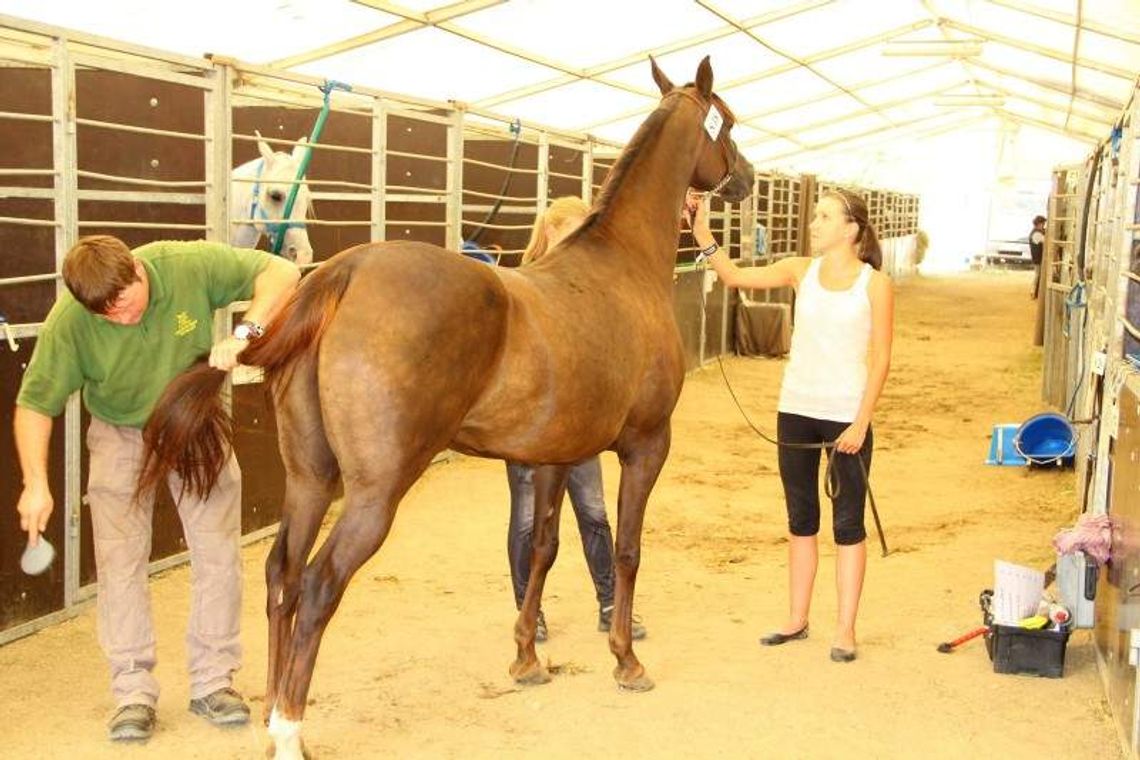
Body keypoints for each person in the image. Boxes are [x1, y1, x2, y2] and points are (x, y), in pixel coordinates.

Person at [14, 235, 300, 741]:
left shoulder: (186, 265)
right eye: (105, 315)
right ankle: (132, 692)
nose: (119, 319)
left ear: (137, 274)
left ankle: (213, 682)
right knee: (120, 563)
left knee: (217, 555)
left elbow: (282, 272)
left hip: (193, 428)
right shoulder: (73, 320)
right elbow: (35, 404)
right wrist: (35, 483)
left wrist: (244, 332)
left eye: (123, 304)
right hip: (118, 435)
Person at [686, 187, 893, 663]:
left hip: (846, 417)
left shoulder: (874, 284)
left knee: (847, 524)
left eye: (824, 217)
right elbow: (734, 276)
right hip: (796, 409)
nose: (814, 224)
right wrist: (701, 230)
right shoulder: (802, 271)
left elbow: (881, 357)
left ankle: (845, 629)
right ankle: (797, 618)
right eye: (815, 215)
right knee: (801, 519)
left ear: (851, 229)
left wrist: (861, 422)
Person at [506, 196, 646, 643]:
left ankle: (609, 602)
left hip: (581, 420)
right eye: (575, 232)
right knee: (528, 519)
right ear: (551, 230)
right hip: (530, 422)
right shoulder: (522, 285)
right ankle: (529, 607)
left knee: (594, 511)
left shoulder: (592, 290)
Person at [1029, 214, 1046, 299]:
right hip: (1037, 258)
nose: (1043, 226)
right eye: (1042, 224)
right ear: (1039, 224)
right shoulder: (1036, 234)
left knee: (1037, 274)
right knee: (1037, 275)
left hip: (1037, 257)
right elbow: (1045, 240)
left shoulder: (1036, 232)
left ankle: (1034, 292)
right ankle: (1033, 292)